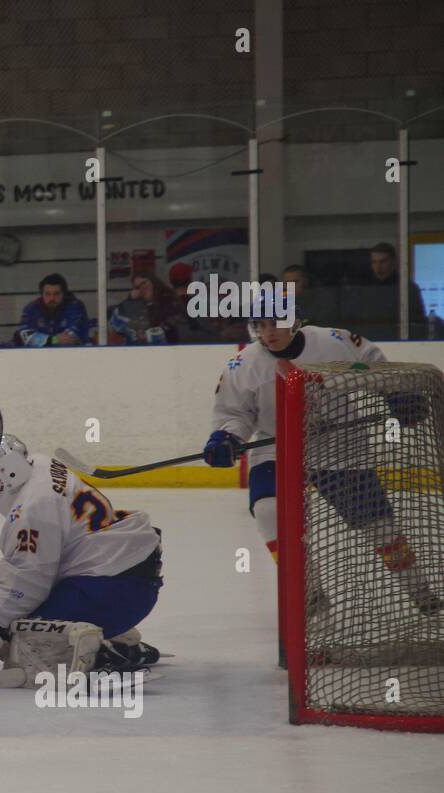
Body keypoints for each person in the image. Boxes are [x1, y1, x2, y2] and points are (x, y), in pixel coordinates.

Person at [202, 302, 440, 613]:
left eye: (275, 323)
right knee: (268, 511)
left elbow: (373, 363)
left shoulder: (333, 341)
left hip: (339, 446)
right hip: (278, 448)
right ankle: (310, 591)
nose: (268, 332)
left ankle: (419, 591)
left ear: (296, 320)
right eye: (260, 325)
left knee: (380, 527)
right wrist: (226, 437)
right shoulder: (243, 365)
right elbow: (235, 413)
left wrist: (395, 393)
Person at [0, 435, 163, 688]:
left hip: (109, 591)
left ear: (10, 472)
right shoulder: (41, 465)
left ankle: (100, 655)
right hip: (125, 581)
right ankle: (114, 636)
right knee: (20, 621)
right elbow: (46, 552)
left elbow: (27, 582)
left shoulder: (32, 509)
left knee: (25, 639)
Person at [362, 242, 427, 339]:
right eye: (374, 262)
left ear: (393, 261)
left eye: (383, 262)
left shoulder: (408, 288)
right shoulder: (364, 289)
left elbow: (419, 323)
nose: (378, 267)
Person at [15, 273, 91, 347]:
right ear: (42, 294)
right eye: (47, 294)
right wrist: (53, 339)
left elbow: (70, 339)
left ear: (64, 294)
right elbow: (26, 337)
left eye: (56, 294)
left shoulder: (75, 307)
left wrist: (43, 340)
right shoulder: (32, 309)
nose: (52, 298)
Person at [108, 271, 181, 344]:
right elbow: (115, 326)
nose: (142, 288)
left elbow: (173, 330)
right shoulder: (134, 307)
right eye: (137, 287)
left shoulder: (169, 301)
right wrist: (129, 301)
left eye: (144, 283)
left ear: (153, 283)